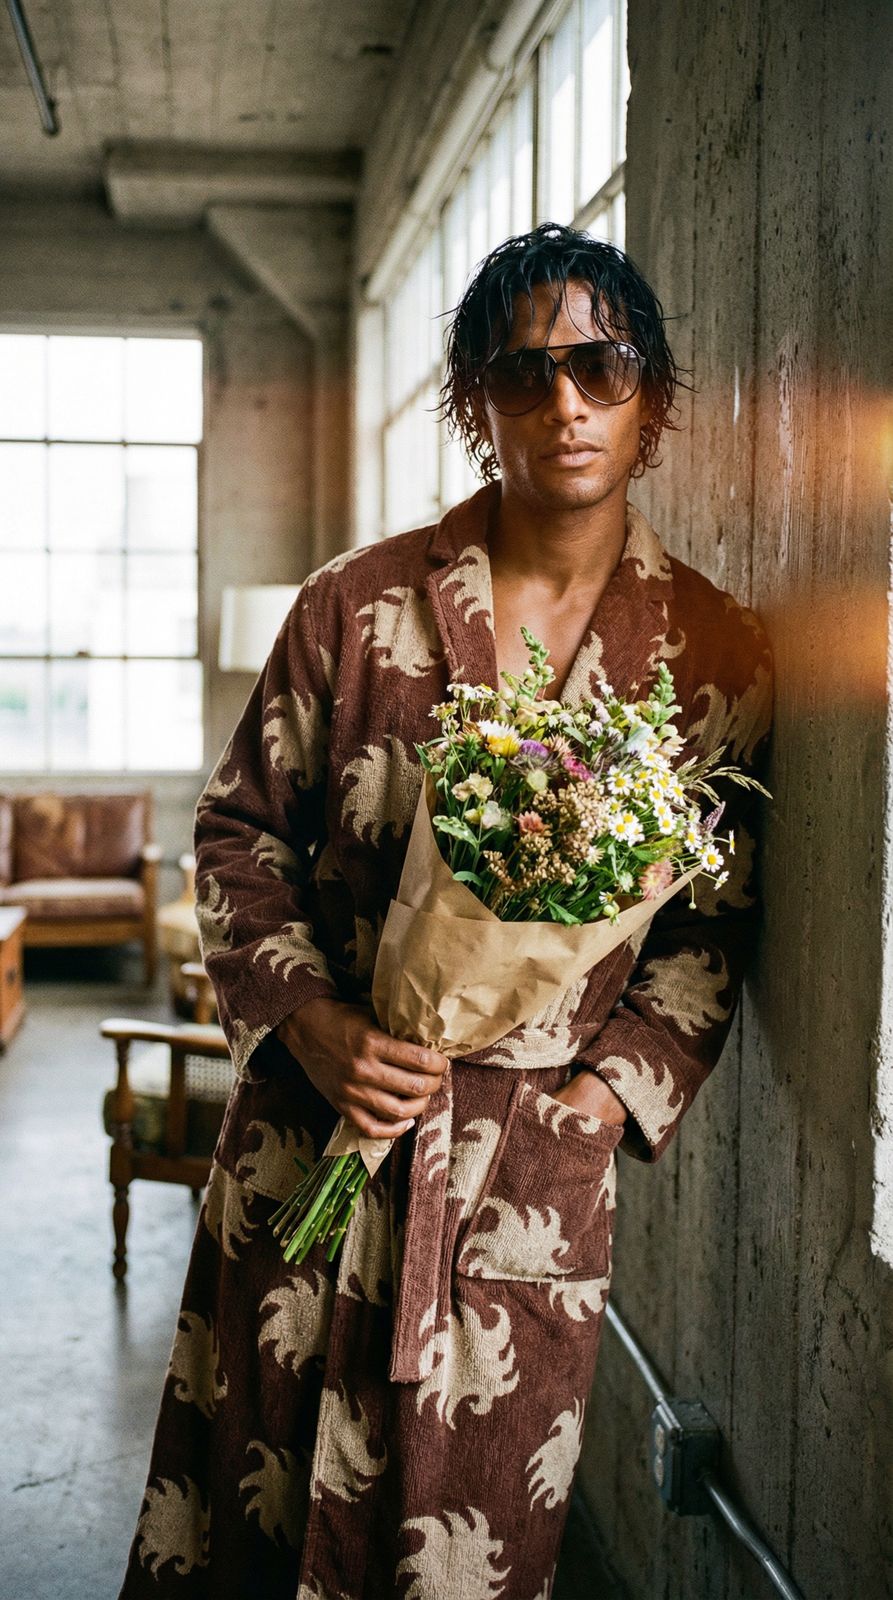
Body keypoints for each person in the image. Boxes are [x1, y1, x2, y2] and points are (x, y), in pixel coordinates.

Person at [119, 221, 772, 1599]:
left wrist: (598, 1101)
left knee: (466, 1546)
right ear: (478, 401)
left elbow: (710, 929)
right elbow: (237, 833)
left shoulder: (712, 654)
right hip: (312, 1136)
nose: (565, 403)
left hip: (523, 1183)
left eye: (600, 366)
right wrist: (312, 1025)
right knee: (253, 1514)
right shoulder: (352, 610)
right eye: (522, 373)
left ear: (650, 391)